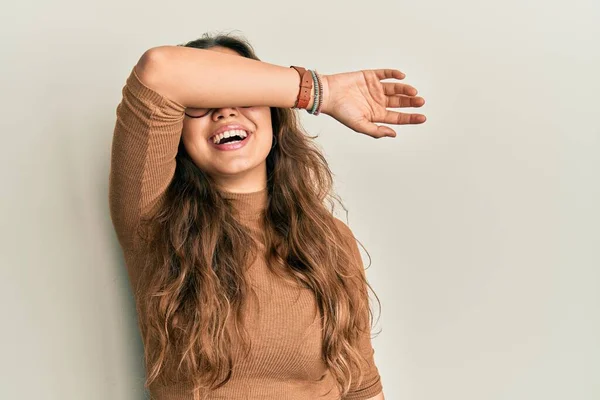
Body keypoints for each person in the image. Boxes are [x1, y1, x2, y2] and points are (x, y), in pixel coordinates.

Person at [108, 32, 426, 400]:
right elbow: (159, 70)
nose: (225, 110)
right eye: (202, 98)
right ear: (178, 129)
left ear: (274, 113)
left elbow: (361, 388)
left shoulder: (329, 238)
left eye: (244, 94)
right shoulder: (154, 219)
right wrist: (321, 91)